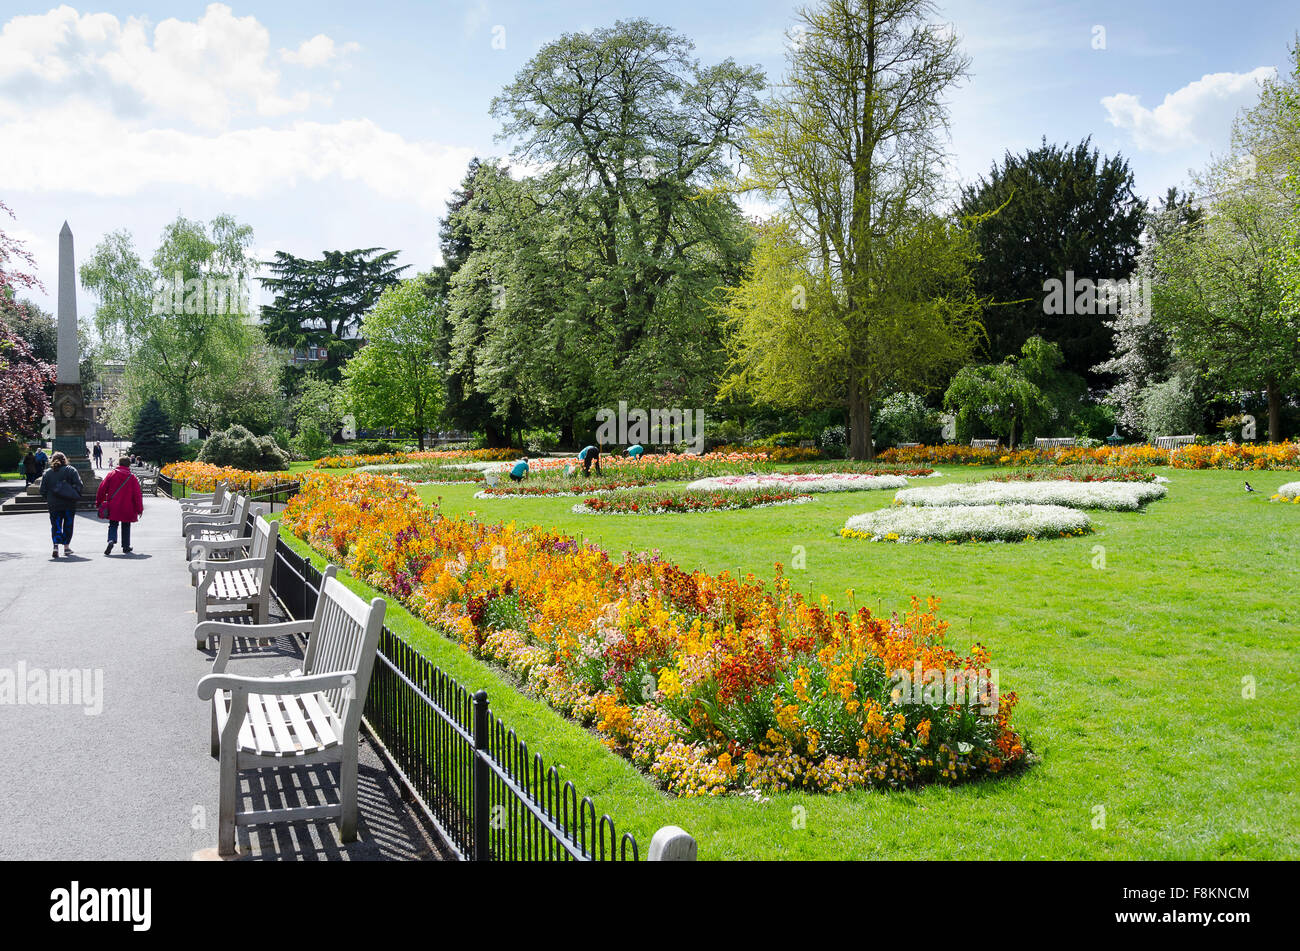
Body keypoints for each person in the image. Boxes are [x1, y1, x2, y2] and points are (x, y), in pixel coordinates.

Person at [96, 455, 144, 556]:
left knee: (113, 524)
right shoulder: (132, 478)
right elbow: (137, 494)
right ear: (129, 465)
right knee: (126, 525)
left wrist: (99, 502)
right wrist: (139, 509)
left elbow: (102, 488)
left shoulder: (111, 474)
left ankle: (111, 540)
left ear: (119, 464)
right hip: (128, 506)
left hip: (114, 505)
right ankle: (126, 546)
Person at [39, 451, 82, 558]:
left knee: (56, 525)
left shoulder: (47, 473)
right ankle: (66, 547)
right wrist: (72, 494)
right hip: (69, 503)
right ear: (65, 459)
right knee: (68, 524)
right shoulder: (71, 470)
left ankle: (55, 546)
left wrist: (49, 498)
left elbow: (42, 490)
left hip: (54, 504)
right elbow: (79, 485)